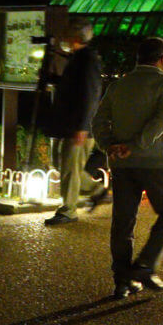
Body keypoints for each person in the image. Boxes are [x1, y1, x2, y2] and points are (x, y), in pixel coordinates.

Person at [92, 37, 163, 300]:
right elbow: (161, 121)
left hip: (121, 164)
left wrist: (109, 146)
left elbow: (98, 120)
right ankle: (144, 265)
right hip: (153, 163)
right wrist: (136, 145)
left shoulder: (119, 85)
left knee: (123, 222)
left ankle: (121, 281)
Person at [42, 19, 105, 226]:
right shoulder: (78, 58)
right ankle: (96, 191)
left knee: (69, 168)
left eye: (69, 34)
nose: (66, 38)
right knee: (67, 166)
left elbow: (90, 94)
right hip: (72, 124)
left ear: (77, 37)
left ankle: (68, 210)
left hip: (79, 126)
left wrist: (83, 127)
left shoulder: (88, 59)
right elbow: (75, 88)